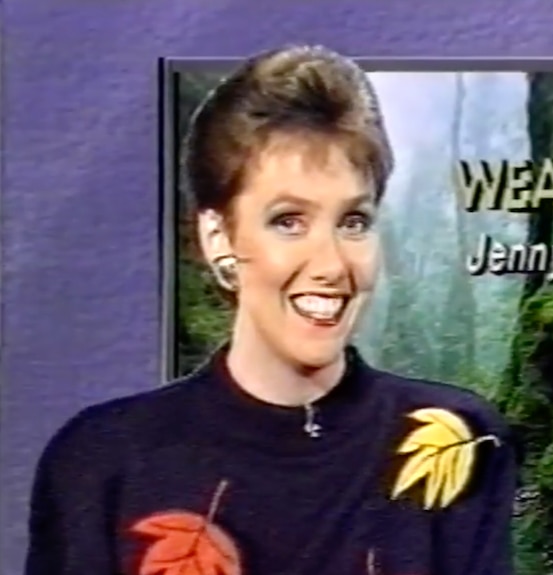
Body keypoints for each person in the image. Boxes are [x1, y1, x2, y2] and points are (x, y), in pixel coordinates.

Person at [25, 45, 517, 575]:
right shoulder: (104, 460)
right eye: (288, 221)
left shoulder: (458, 437)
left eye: (353, 222)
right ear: (219, 238)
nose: (331, 263)